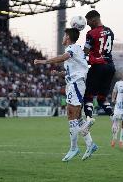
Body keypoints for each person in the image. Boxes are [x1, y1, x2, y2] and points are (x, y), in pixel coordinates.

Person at [34, 28, 98, 161]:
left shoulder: (72, 48)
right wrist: (59, 74)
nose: (63, 38)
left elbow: (65, 57)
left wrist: (44, 61)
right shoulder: (77, 49)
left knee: (71, 115)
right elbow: (75, 69)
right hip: (74, 84)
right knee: (77, 117)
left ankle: (74, 148)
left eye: (64, 35)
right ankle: (90, 144)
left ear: (68, 37)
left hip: (75, 85)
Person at [83, 10, 116, 128]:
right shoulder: (110, 31)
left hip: (98, 66)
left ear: (94, 19)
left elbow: (85, 51)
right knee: (102, 98)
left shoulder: (91, 33)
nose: (87, 24)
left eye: (88, 21)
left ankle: (89, 118)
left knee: (88, 96)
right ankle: (113, 117)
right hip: (110, 66)